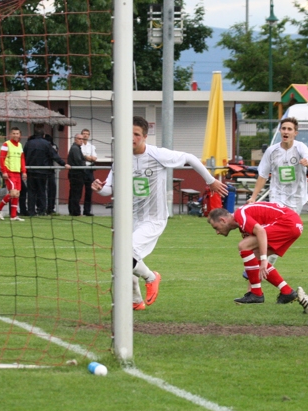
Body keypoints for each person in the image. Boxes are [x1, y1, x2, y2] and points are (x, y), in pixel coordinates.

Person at [92, 116, 228, 310]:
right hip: (130, 219)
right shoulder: (121, 159)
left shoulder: (157, 154)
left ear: (145, 136)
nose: (132, 138)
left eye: (136, 134)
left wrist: (209, 180)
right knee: (120, 259)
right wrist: (98, 188)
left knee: (125, 254)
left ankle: (151, 277)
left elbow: (189, 158)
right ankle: (136, 301)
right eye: (128, 133)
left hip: (153, 218)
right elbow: (108, 190)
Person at [207, 204, 302, 304]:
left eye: (216, 228)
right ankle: (287, 292)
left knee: (243, 245)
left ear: (223, 220)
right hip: (294, 224)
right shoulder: (242, 225)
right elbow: (252, 258)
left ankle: (256, 294)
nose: (217, 232)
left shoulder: (240, 214)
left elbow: (261, 231)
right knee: (253, 255)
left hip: (288, 222)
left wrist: (264, 260)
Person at [248, 117, 308, 214]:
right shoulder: (271, 151)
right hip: (277, 195)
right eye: (283, 128)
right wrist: (253, 197)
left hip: (296, 195)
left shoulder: (300, 147)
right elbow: (263, 175)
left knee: (291, 226)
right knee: (278, 220)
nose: (286, 131)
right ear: (280, 130)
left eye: (289, 129)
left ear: (295, 133)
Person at [23, 127, 69, 216]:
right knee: (42, 191)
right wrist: (63, 164)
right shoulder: (46, 144)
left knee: (31, 192)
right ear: (43, 135)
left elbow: (24, 156)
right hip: (42, 172)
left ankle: (31, 211)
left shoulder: (28, 143)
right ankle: (41, 210)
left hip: (30, 171)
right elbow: (54, 156)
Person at [0, 127, 27, 222]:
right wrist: (4, 171)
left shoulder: (20, 145)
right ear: (10, 134)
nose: (15, 135)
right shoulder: (6, 144)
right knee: (12, 193)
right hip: (9, 172)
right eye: (14, 133)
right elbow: (1, 158)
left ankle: (13, 216)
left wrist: (24, 171)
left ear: (20, 135)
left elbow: (22, 159)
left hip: (17, 173)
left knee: (17, 194)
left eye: (17, 133)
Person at [67, 133, 87, 216]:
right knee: (76, 193)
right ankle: (75, 212)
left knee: (73, 193)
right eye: (79, 139)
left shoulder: (76, 148)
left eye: (82, 139)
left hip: (75, 174)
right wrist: (84, 165)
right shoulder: (75, 148)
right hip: (76, 174)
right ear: (75, 139)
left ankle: (72, 211)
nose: (81, 140)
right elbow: (78, 161)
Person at [80, 129, 97, 216]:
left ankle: (87, 211)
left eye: (87, 134)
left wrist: (86, 157)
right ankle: (76, 211)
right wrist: (88, 157)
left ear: (89, 136)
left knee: (89, 191)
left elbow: (94, 158)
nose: (85, 135)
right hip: (81, 169)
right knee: (79, 190)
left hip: (89, 169)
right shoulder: (79, 146)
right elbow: (81, 157)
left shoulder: (92, 146)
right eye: (84, 134)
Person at [44, 133, 60, 215]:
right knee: (49, 190)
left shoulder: (53, 146)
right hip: (48, 170)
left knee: (48, 190)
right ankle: (48, 208)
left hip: (49, 170)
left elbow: (55, 154)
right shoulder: (49, 147)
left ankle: (48, 208)